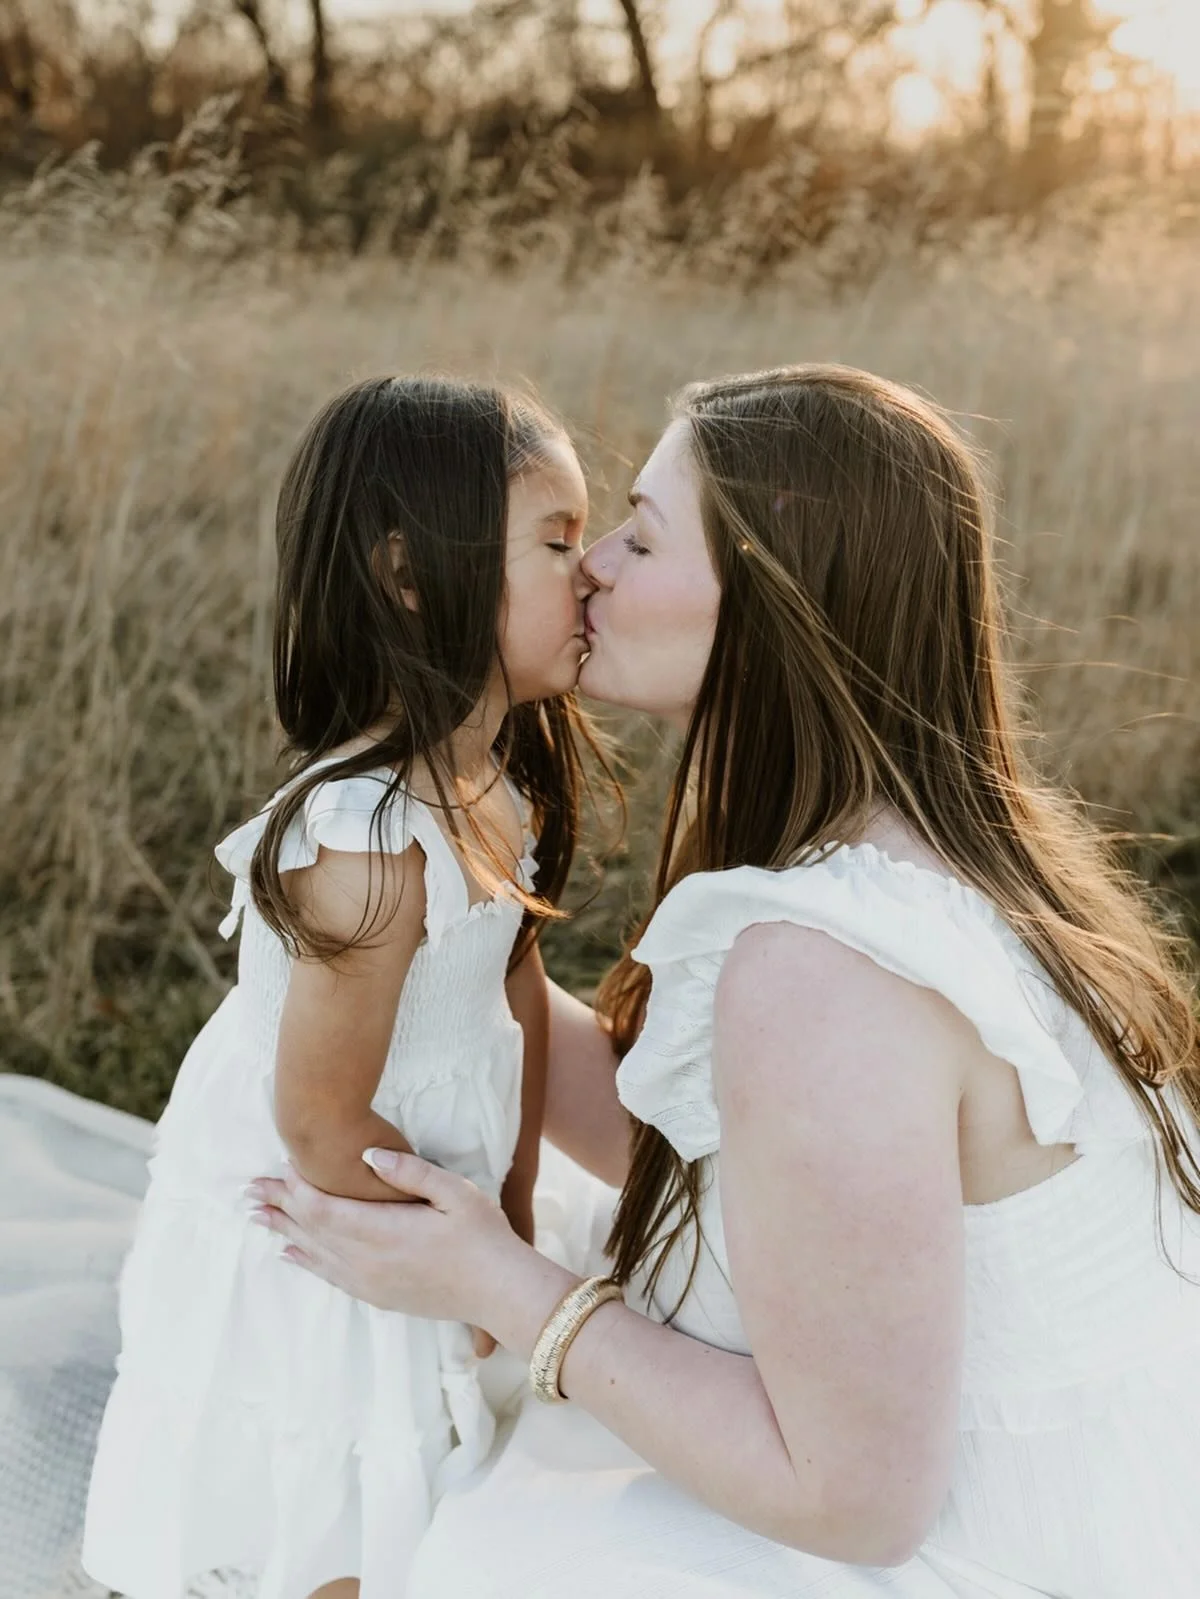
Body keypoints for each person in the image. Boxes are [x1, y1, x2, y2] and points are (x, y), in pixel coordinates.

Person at [249, 365, 1200, 1598]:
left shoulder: (825, 974)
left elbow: (855, 1503)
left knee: (470, 1538)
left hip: (955, 1538)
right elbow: (727, 1153)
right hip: (1049, 1461)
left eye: (639, 537)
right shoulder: (928, 847)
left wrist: (497, 1282)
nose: (588, 568)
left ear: (771, 598)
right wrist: (483, 944)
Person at [81, 375, 603, 1599]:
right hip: (331, 1228)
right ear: (413, 574)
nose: (590, 575)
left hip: (434, 1186)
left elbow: (519, 1008)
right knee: (327, 1485)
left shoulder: (500, 789)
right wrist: (465, 1278)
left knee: (426, 1478)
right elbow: (319, 1121)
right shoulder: (366, 836)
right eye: (557, 542)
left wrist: (518, 1208)